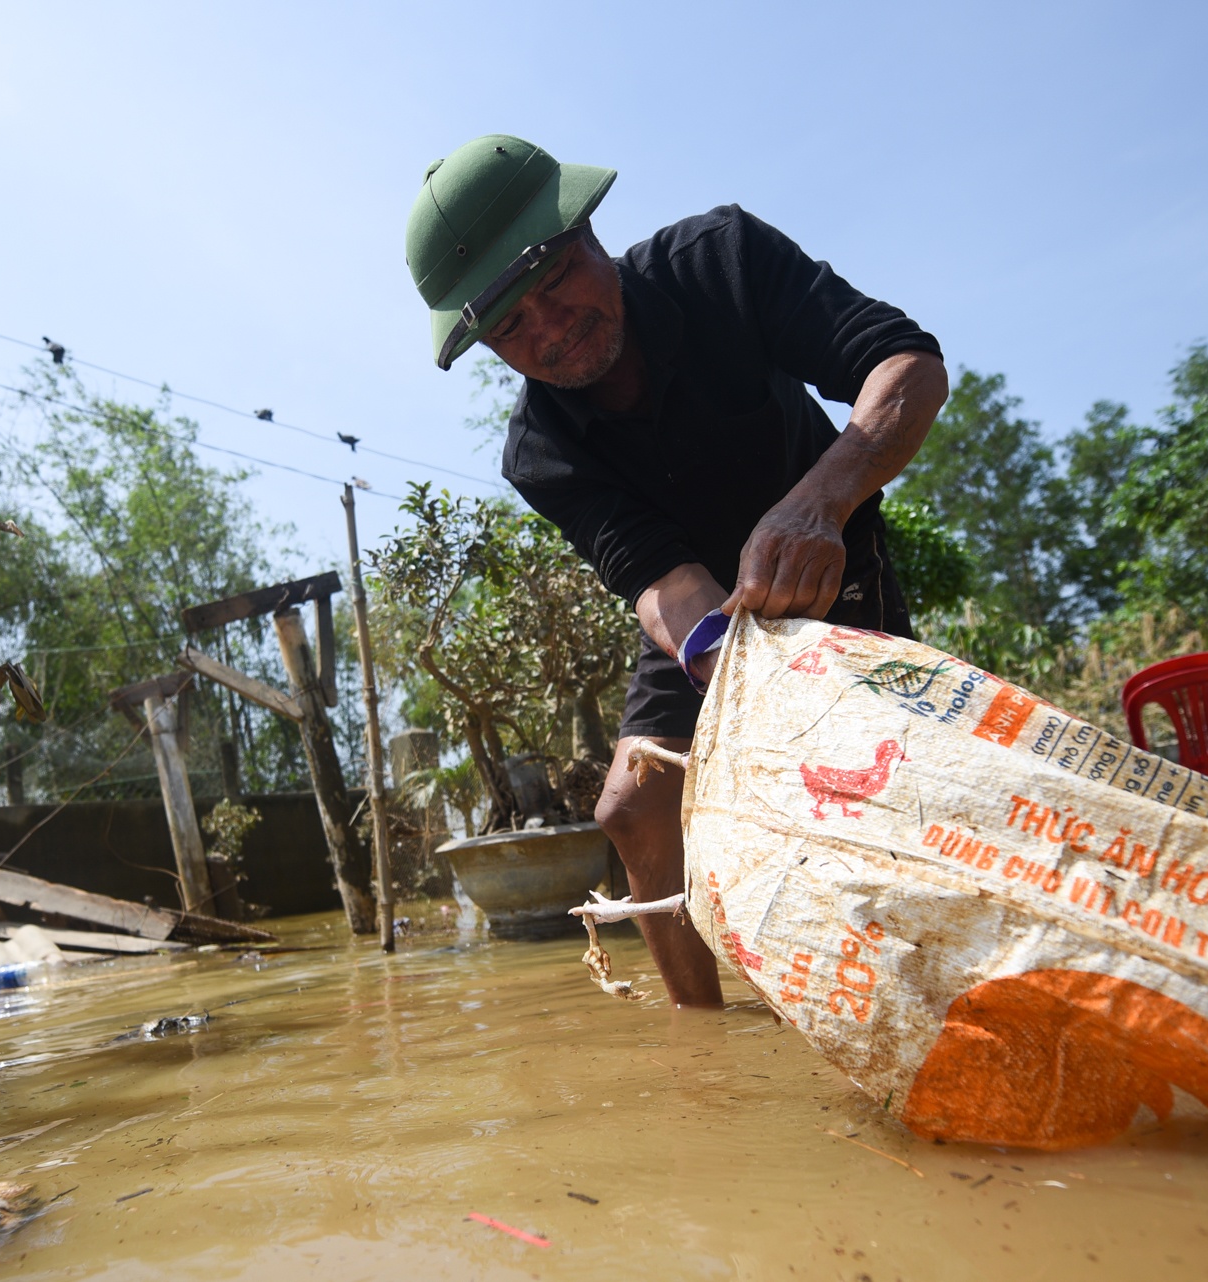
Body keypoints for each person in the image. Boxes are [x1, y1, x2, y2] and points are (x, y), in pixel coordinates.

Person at [404, 135, 947, 1006]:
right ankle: (702, 1036)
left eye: (552, 282)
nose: (548, 328)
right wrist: (736, 672)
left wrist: (820, 503)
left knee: (880, 784)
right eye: (508, 324)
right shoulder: (539, 452)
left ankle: (921, 985)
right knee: (632, 805)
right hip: (710, 613)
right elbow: (657, 580)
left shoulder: (721, 261)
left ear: (587, 228)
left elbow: (907, 368)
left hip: (830, 563)